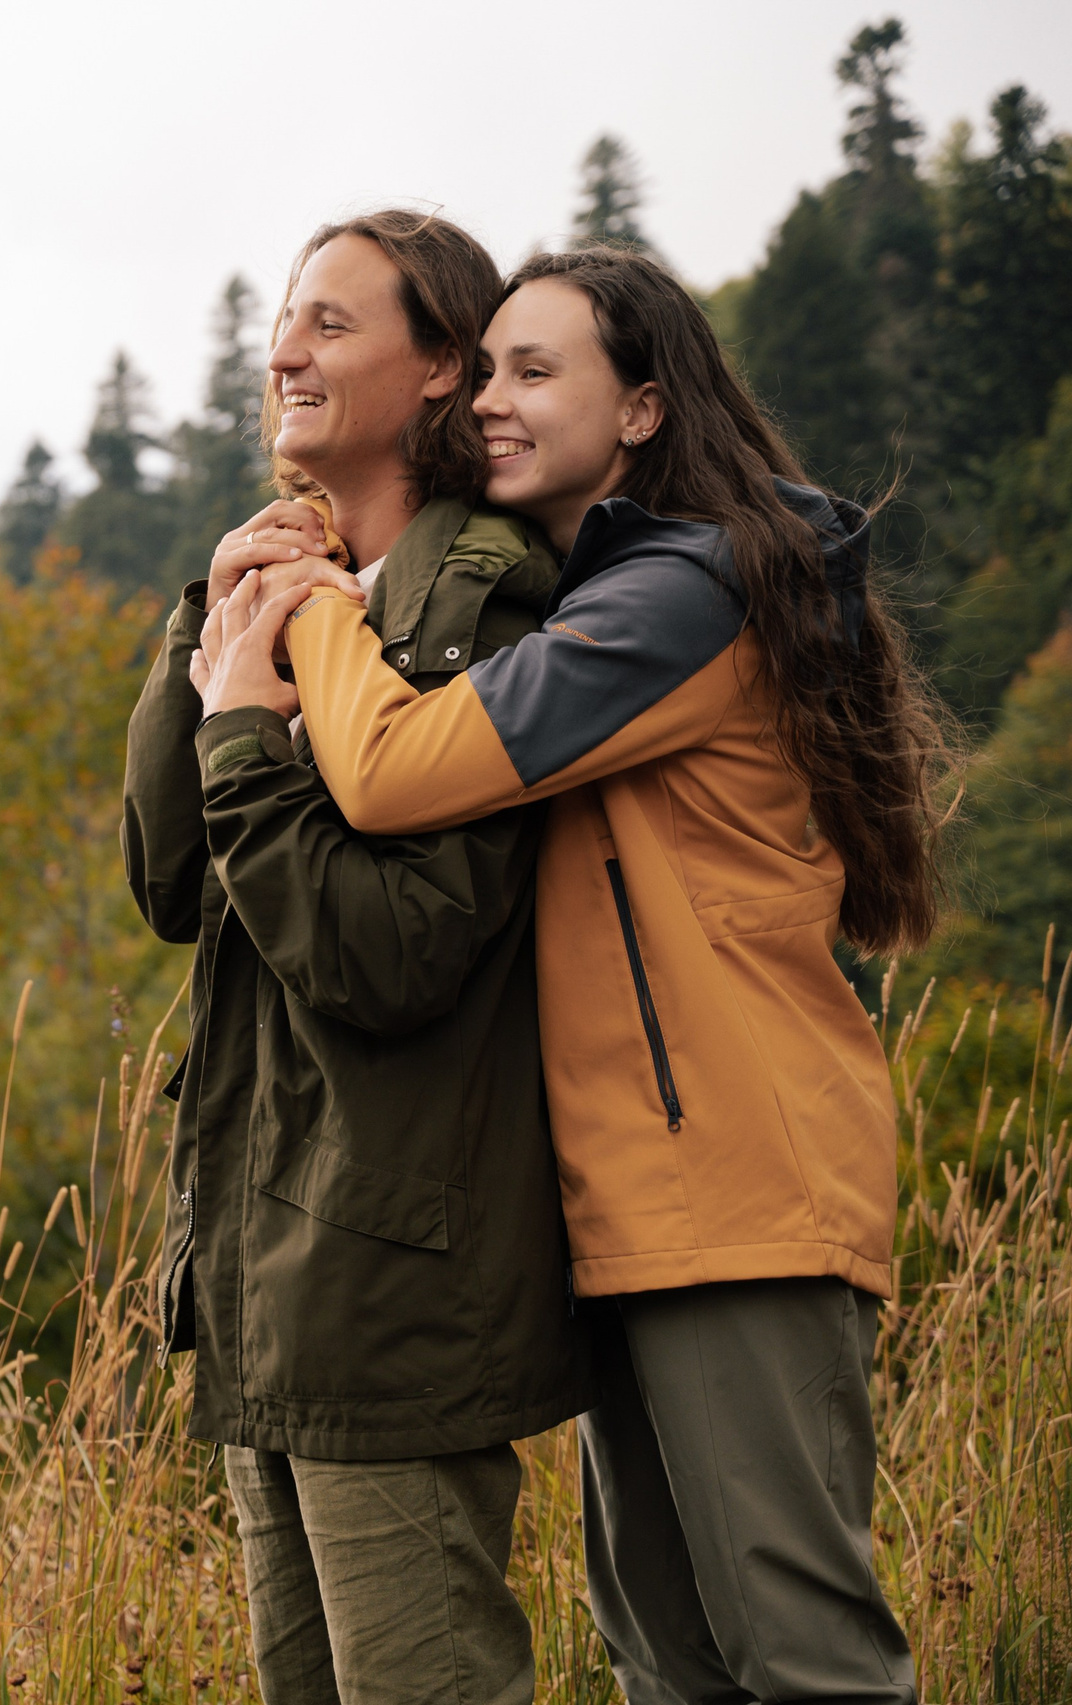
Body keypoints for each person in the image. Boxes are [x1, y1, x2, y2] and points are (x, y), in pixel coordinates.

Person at [207, 243, 942, 1704]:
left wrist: (314, 615)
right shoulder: (591, 591)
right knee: (664, 1653)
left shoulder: (683, 593)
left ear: (648, 412)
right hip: (624, 1204)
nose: (490, 399)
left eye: (537, 372)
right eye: (486, 368)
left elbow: (404, 768)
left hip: (739, 1189)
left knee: (799, 1654)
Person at [122, 208, 592, 1705]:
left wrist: (251, 736)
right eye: (284, 320)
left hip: (387, 1282)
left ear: (442, 367)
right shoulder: (295, 588)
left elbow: (394, 955)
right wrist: (211, 625)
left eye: (333, 322)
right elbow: (169, 878)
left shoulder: (482, 600)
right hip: (271, 1272)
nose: (286, 351)